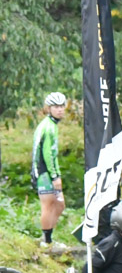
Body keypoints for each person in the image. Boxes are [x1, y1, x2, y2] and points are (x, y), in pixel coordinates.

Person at [31, 92, 67, 248]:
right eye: (56, 107)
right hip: (44, 172)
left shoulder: (52, 125)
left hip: (48, 171)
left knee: (60, 205)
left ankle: (48, 237)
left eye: (61, 106)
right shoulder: (48, 127)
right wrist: (54, 176)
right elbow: (47, 154)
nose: (59, 110)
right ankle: (46, 241)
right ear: (48, 108)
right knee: (49, 205)